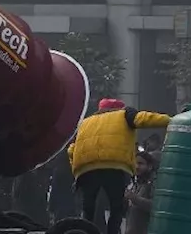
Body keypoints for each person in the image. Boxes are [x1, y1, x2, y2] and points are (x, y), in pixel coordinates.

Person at [67, 99, 170, 234]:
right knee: (116, 208)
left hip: (86, 168)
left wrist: (76, 168)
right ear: (120, 108)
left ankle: (84, 232)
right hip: (114, 166)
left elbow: (71, 149)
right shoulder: (125, 115)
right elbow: (144, 118)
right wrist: (170, 120)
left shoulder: (86, 122)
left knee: (88, 209)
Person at [124, 150, 158, 234]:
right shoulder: (134, 183)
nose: (136, 166)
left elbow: (155, 206)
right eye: (135, 163)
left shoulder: (154, 183)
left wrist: (134, 198)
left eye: (140, 163)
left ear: (150, 166)